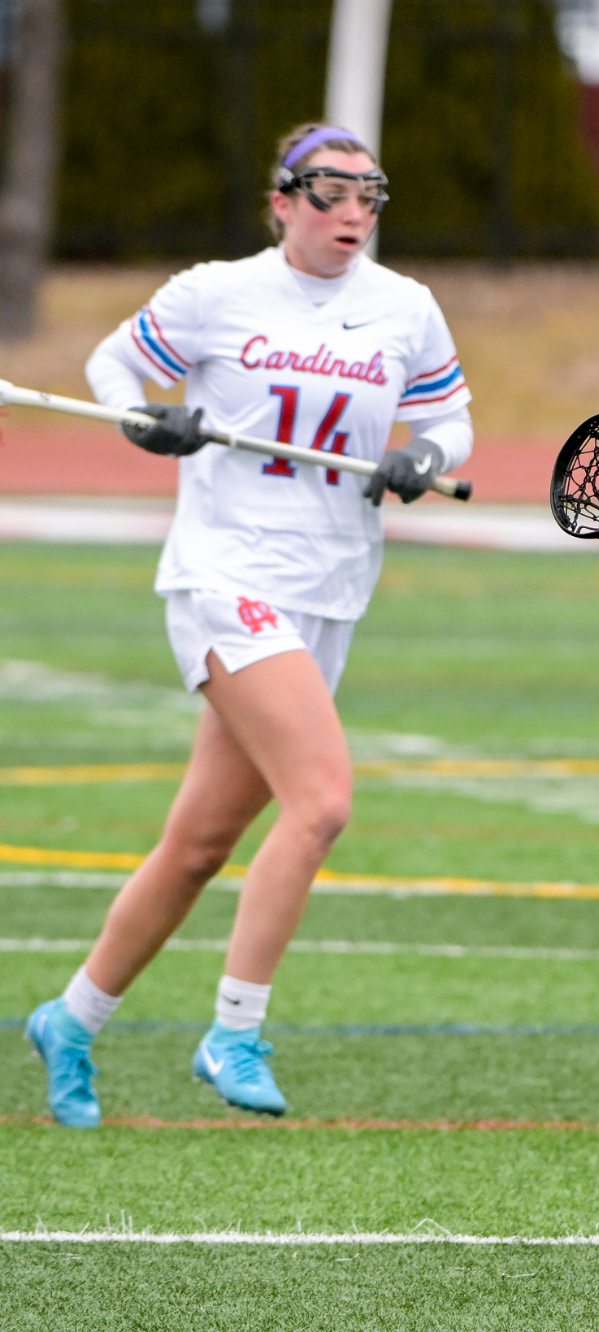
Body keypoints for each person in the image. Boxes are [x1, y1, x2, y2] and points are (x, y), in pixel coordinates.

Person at [23, 124, 474, 1128]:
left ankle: (73, 1014)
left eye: (368, 193)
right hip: (226, 575)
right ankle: (235, 1027)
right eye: (327, 192)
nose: (351, 210)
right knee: (319, 801)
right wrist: (148, 418)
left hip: (330, 587)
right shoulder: (214, 293)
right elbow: (113, 367)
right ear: (281, 202)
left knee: (198, 843)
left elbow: (452, 421)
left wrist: (423, 456)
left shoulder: (405, 310)